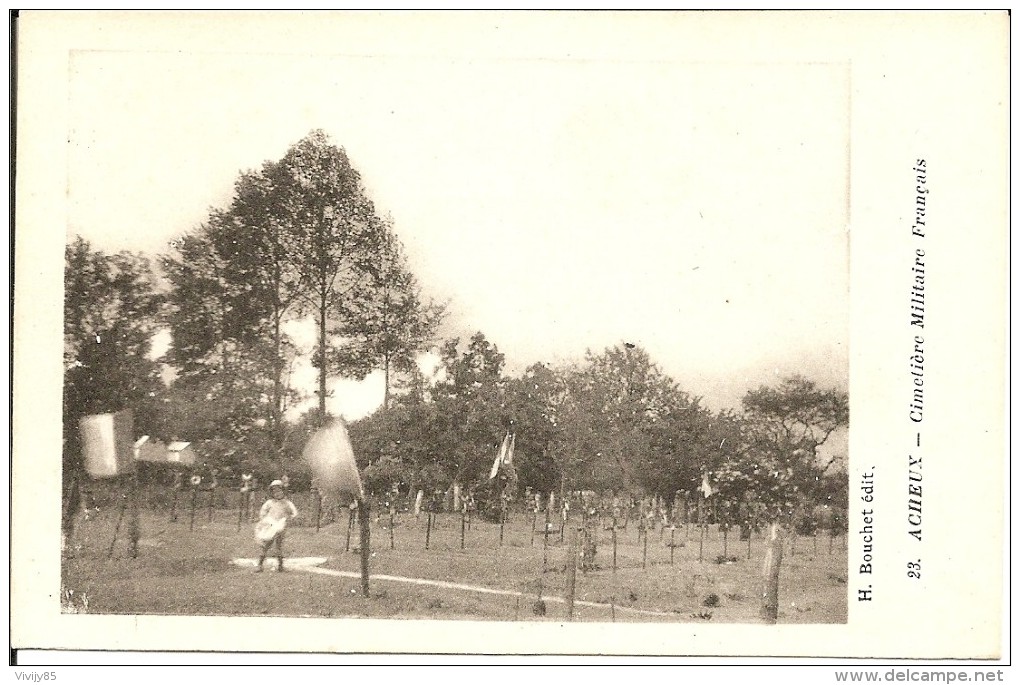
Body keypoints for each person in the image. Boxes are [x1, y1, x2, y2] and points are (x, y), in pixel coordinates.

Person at [254, 479, 298, 573]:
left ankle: (280, 566)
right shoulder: (270, 503)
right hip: (270, 526)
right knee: (266, 545)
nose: (277, 493)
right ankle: (259, 565)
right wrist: (264, 520)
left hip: (280, 527)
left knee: (278, 546)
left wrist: (289, 517)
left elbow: (294, 512)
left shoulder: (287, 503)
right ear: (272, 493)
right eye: (274, 491)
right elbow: (263, 512)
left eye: (279, 491)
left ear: (283, 491)